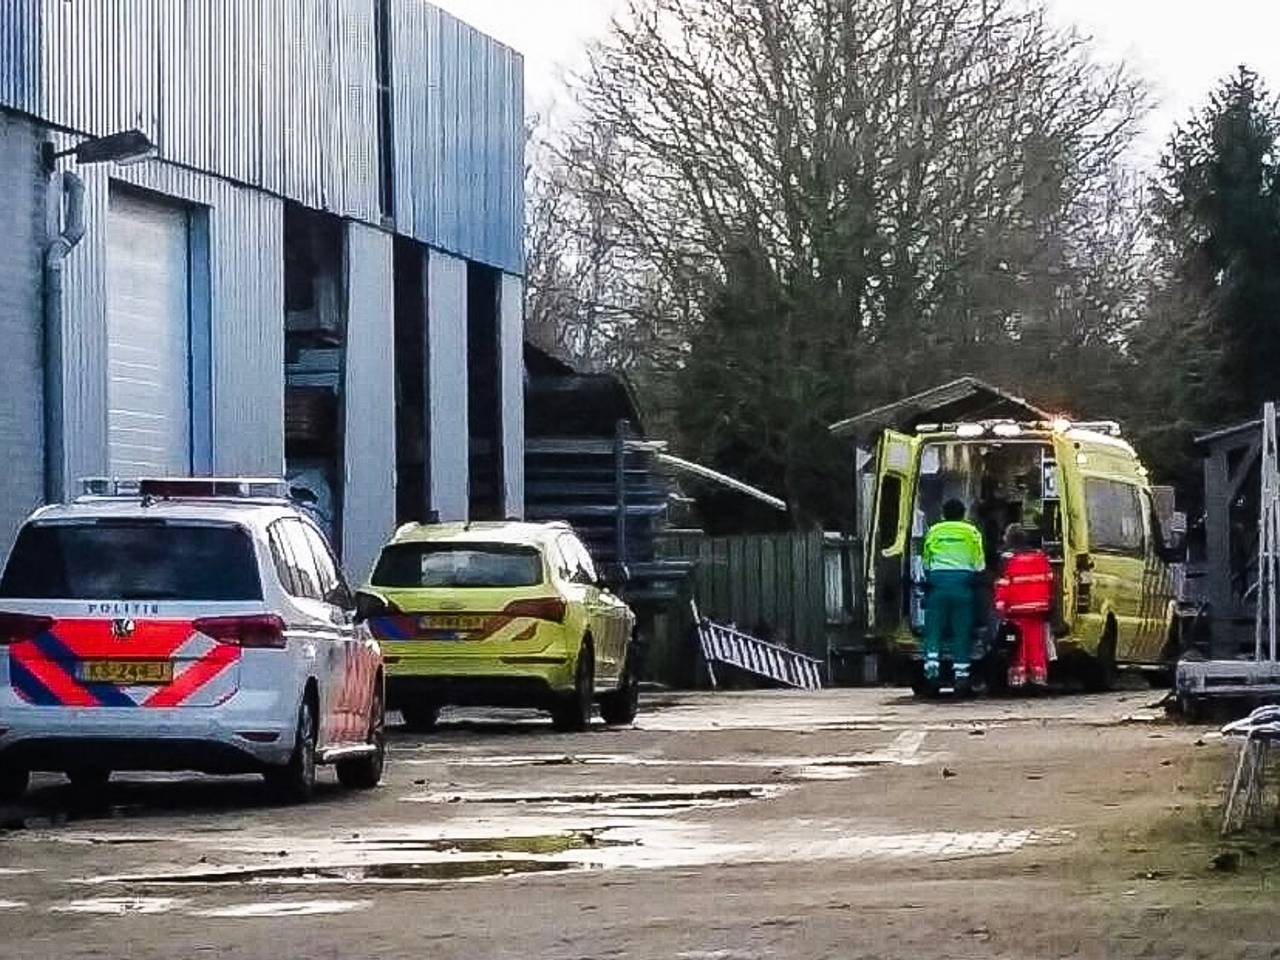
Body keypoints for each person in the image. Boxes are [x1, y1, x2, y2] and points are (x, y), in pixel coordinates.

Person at [921, 499, 986, 689]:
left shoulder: (934, 531)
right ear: (963, 514)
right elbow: (979, 564)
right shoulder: (972, 532)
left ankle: (931, 668)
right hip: (963, 584)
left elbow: (926, 561)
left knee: (933, 627)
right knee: (961, 629)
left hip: (938, 583)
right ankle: (961, 675)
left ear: (943, 514)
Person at [995, 524, 1053, 688]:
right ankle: (1038, 677)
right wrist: (1049, 603)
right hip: (1038, 609)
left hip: (1016, 611)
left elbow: (1004, 585)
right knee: (1036, 644)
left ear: (1009, 540)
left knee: (1018, 646)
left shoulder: (1008, 560)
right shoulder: (1041, 558)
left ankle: (1018, 679)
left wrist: (1000, 606)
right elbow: (1049, 580)